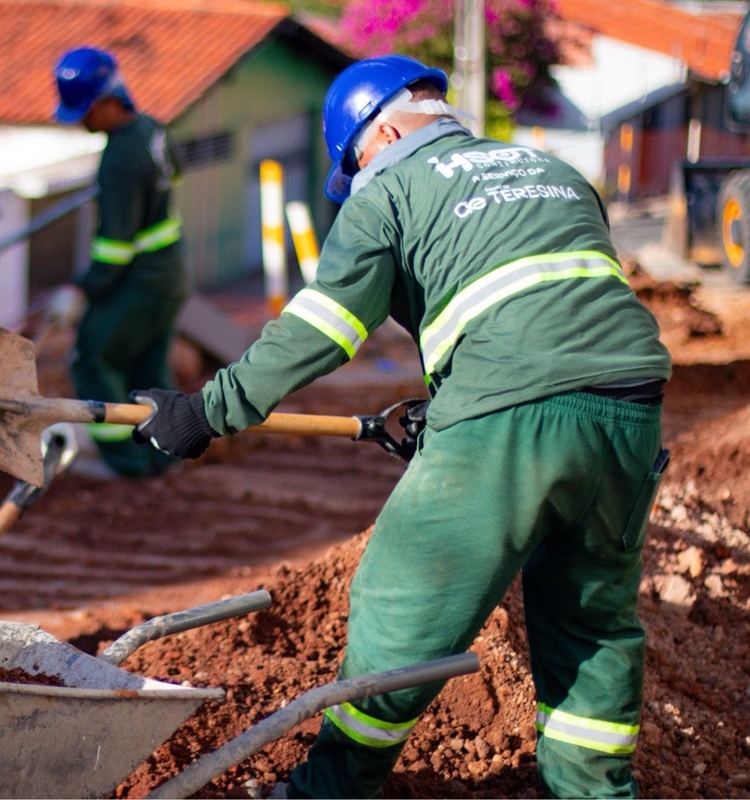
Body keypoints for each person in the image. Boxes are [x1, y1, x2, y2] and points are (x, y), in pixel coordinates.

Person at [130, 55, 672, 798]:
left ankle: (329, 791)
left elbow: (324, 325)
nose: (356, 181)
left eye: (354, 166)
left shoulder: (387, 190)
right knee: (592, 623)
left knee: (399, 609)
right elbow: (539, 302)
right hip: (630, 409)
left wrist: (204, 412)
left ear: (380, 131)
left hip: (509, 418)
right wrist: (450, 405)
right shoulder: (550, 171)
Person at [50, 46, 187, 478]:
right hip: (170, 275)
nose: (82, 122)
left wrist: (80, 290)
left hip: (140, 282)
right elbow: (174, 175)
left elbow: (114, 247)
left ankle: (126, 462)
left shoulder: (118, 160)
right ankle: (165, 456)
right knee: (149, 369)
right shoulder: (152, 130)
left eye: (86, 111)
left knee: (92, 358)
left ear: (110, 101)